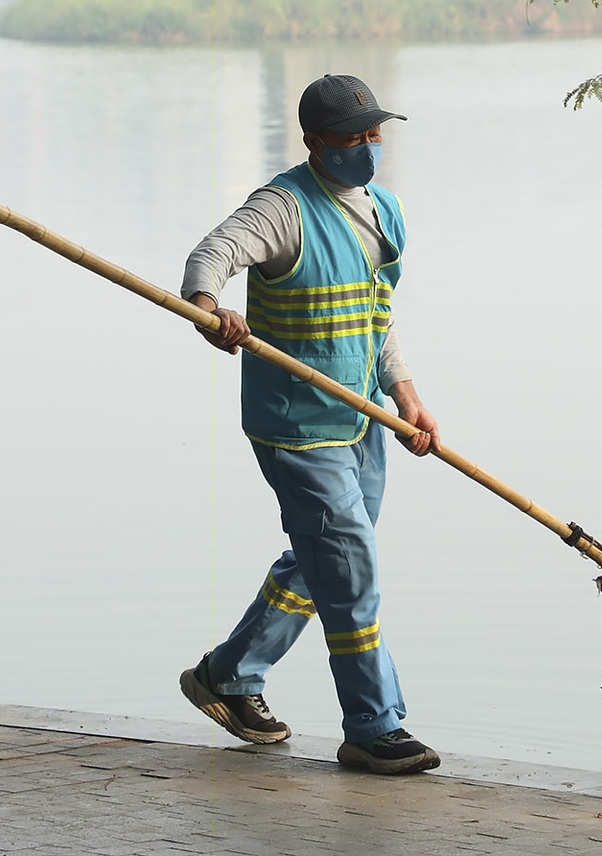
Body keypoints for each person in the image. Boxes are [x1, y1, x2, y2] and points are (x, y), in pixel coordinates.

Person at [177, 72, 444, 776]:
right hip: (296, 427)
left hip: (361, 420)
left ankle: (228, 675)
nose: (367, 147)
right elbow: (210, 257)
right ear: (314, 142)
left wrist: (405, 396)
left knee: (323, 559)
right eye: (352, 138)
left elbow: (375, 316)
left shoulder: (386, 211)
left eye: (373, 134)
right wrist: (213, 309)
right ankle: (372, 725)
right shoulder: (283, 207)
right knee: (350, 567)